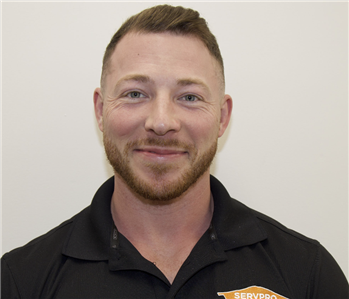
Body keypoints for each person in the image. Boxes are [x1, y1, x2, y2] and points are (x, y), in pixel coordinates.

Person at [0, 4, 348, 299]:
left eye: (190, 97)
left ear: (222, 117)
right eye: (135, 93)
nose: (161, 122)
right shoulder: (20, 281)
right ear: (100, 111)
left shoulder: (307, 275)